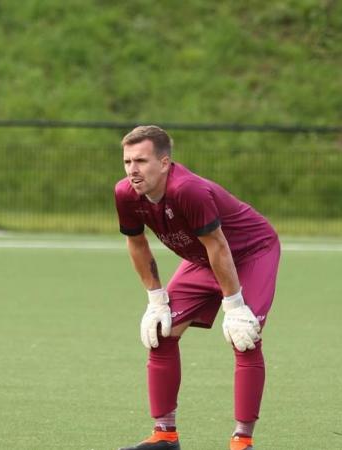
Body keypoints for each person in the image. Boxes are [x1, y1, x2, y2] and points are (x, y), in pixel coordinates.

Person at [114, 125, 280, 450]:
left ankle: (242, 442)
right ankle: (164, 435)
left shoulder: (187, 190)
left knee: (244, 337)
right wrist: (155, 299)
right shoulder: (125, 194)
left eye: (142, 160)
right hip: (204, 256)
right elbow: (137, 244)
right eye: (128, 161)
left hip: (251, 251)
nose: (133, 169)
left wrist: (234, 306)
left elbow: (219, 246)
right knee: (160, 333)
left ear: (164, 163)